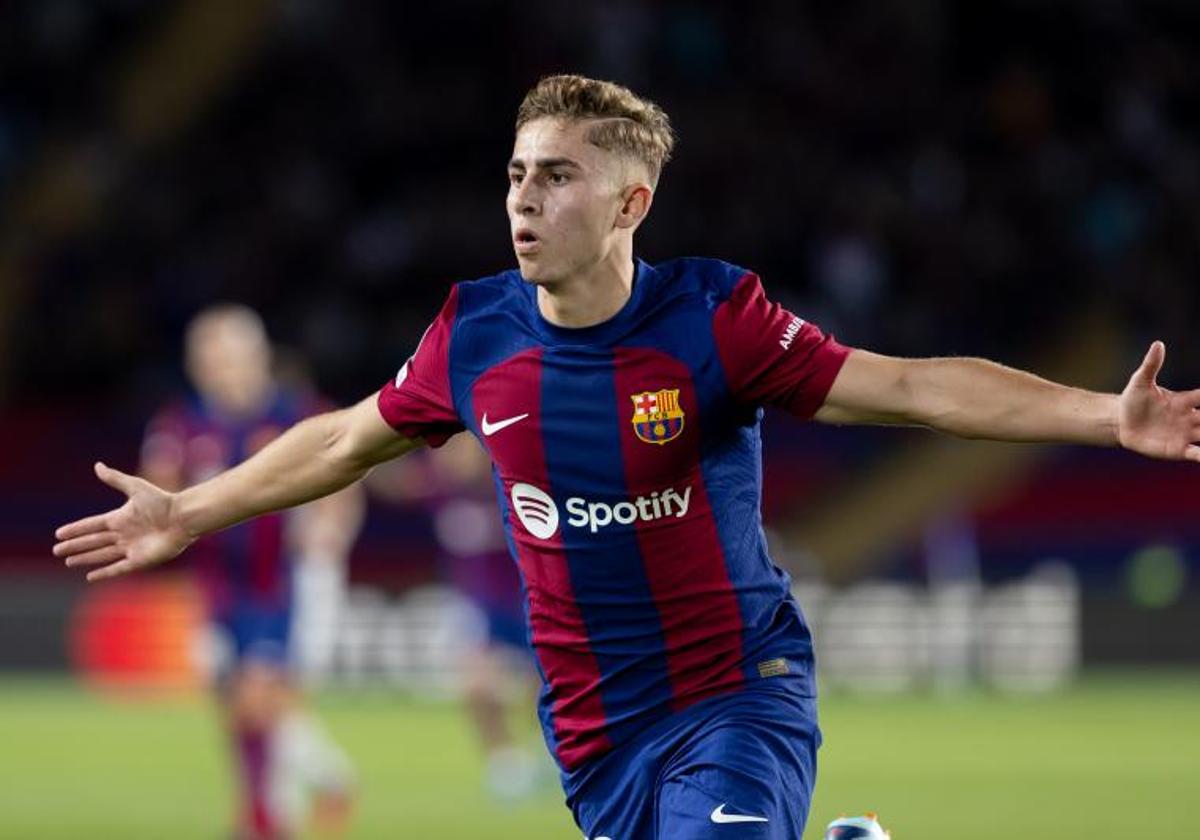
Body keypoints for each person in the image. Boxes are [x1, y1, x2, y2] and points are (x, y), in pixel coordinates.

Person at [55, 76, 1199, 839]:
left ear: (628, 202)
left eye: (556, 176)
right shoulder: (475, 332)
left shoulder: (717, 321)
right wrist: (194, 511)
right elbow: (346, 440)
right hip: (595, 735)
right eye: (515, 173)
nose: (523, 197)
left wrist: (1106, 417)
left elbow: (910, 386)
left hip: (736, 697)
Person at [138, 304, 362, 839]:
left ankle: (264, 819)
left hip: (285, 582)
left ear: (259, 358)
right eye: (213, 358)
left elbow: (347, 475)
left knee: (262, 693)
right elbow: (156, 490)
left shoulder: (298, 416)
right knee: (237, 706)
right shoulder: (180, 425)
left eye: (235, 356)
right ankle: (320, 782)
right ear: (197, 365)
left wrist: (329, 532)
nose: (225, 369)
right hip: (218, 585)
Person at [370, 434, 544, 801]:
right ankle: (505, 765)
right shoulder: (439, 490)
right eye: (445, 449)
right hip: (478, 608)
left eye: (461, 449)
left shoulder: (512, 485)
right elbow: (393, 481)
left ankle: (550, 755)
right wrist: (358, 459)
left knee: (544, 695)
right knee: (476, 685)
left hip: (530, 604)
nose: (451, 458)